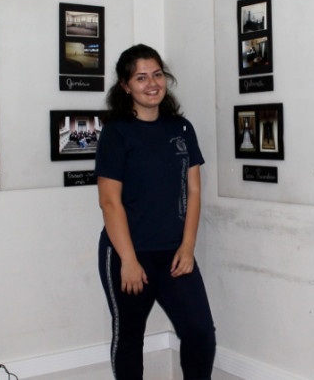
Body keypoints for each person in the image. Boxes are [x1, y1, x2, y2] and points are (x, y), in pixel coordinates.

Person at [95, 44, 216, 379]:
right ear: (125, 86)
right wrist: (129, 261)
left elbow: (193, 190)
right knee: (130, 337)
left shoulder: (181, 128)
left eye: (158, 74)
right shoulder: (116, 133)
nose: (152, 84)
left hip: (176, 254)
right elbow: (109, 202)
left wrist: (188, 247)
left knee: (200, 332)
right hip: (129, 254)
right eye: (141, 77)